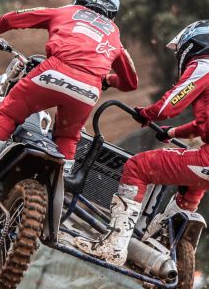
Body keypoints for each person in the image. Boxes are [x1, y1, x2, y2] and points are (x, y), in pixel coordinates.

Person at [0, 0, 138, 199]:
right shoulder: (114, 35)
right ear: (113, 11)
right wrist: (107, 80)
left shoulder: (66, 12)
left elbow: (11, 18)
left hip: (54, 71)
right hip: (89, 89)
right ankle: (56, 195)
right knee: (68, 137)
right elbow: (131, 82)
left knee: (7, 113)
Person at [74, 20, 209, 265]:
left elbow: (169, 106)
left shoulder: (204, 65)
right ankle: (169, 243)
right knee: (193, 185)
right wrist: (172, 132)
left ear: (193, 45)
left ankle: (114, 245)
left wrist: (146, 113)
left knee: (137, 166)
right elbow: (203, 125)